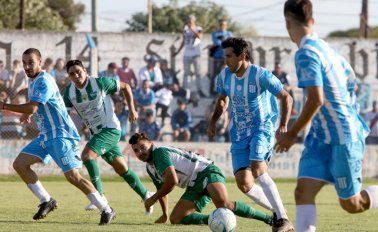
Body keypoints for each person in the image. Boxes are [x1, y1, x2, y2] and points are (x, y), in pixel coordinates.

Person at [276, 1, 378, 232]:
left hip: (342, 139)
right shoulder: (328, 49)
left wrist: (292, 134)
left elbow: (316, 99)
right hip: (320, 137)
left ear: (288, 23)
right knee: (302, 192)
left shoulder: (306, 53)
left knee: (352, 204)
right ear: (313, 20)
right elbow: (352, 84)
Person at [0, 48, 115, 225]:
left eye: (31, 62)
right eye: (24, 62)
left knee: (73, 177)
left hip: (61, 135)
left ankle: (106, 208)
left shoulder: (44, 80)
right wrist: (28, 115)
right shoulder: (32, 81)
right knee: (20, 164)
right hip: (46, 135)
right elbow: (37, 107)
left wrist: (4, 106)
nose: (27, 66)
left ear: (40, 62)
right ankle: (47, 200)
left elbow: (32, 107)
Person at [207, 37, 294, 232]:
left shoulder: (260, 75)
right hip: (238, 133)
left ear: (243, 55)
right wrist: (213, 121)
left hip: (261, 127)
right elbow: (222, 100)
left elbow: (286, 97)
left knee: (257, 166)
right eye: (224, 57)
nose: (225, 61)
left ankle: (283, 219)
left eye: (229, 56)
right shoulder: (224, 76)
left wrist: (283, 125)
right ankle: (279, 213)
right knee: (244, 183)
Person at [63, 59, 154, 213]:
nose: (76, 75)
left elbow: (125, 86)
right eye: (72, 74)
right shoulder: (69, 93)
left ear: (84, 70)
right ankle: (147, 195)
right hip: (97, 134)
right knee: (122, 169)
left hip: (110, 129)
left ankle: (99, 196)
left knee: (87, 156)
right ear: (69, 76)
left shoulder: (100, 83)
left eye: (78, 71)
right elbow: (63, 113)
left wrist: (132, 109)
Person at [129, 132, 274, 227]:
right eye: (136, 150)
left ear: (151, 144)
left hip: (206, 171)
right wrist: (165, 214)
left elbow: (172, 181)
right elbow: (163, 189)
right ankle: (214, 221)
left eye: (143, 147)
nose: (140, 152)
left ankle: (270, 219)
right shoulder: (150, 167)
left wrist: (152, 199)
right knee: (176, 218)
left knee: (224, 204)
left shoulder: (159, 153)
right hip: (193, 185)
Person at [174, 15, 205, 97]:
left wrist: (193, 29)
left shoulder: (198, 28)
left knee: (197, 73)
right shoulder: (185, 30)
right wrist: (177, 52)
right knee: (186, 73)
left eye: (191, 21)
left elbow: (200, 37)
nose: (189, 22)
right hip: (187, 55)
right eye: (188, 21)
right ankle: (185, 90)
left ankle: (199, 90)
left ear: (194, 21)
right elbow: (183, 41)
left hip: (196, 54)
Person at [210, 19, 233, 95]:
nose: (222, 26)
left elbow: (231, 44)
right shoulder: (215, 34)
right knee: (215, 75)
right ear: (219, 25)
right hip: (218, 57)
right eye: (221, 25)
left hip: (227, 58)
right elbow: (217, 43)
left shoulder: (229, 34)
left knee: (227, 74)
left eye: (224, 25)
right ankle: (211, 91)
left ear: (226, 26)